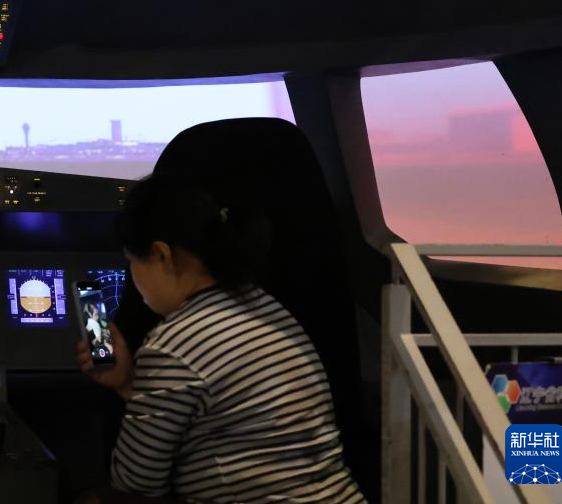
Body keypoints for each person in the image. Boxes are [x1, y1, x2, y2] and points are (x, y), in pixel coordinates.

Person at [76, 176, 365, 504]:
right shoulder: (265, 307)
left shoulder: (173, 344)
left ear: (160, 255)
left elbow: (136, 482)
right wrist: (129, 384)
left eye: (132, 262)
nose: (134, 279)